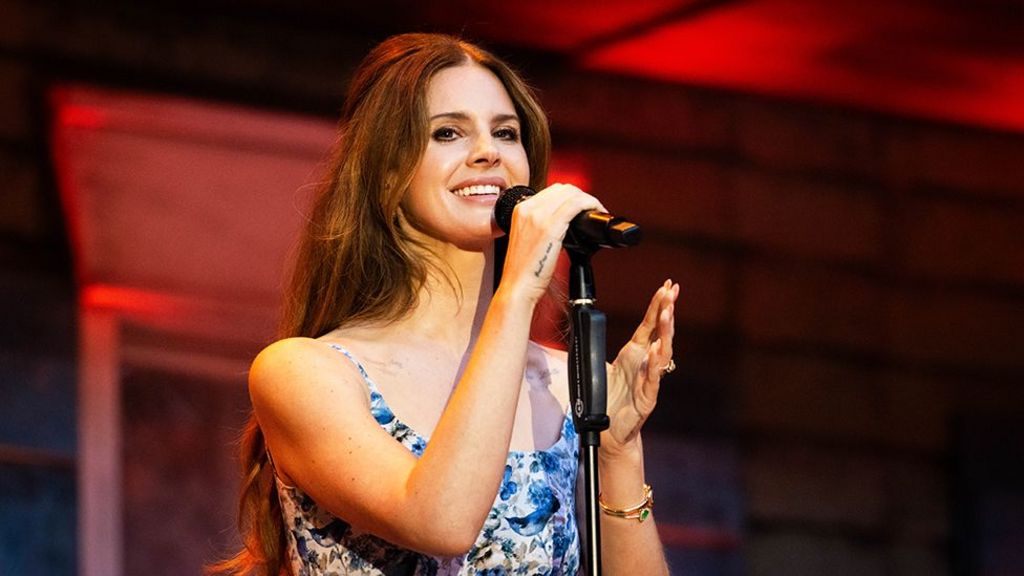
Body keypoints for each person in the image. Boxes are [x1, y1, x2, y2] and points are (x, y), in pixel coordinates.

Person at [210, 32, 679, 576]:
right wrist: (519, 290)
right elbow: (442, 523)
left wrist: (617, 449)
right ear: (387, 171)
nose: (489, 151)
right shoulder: (308, 374)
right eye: (448, 132)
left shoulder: (557, 380)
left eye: (506, 133)